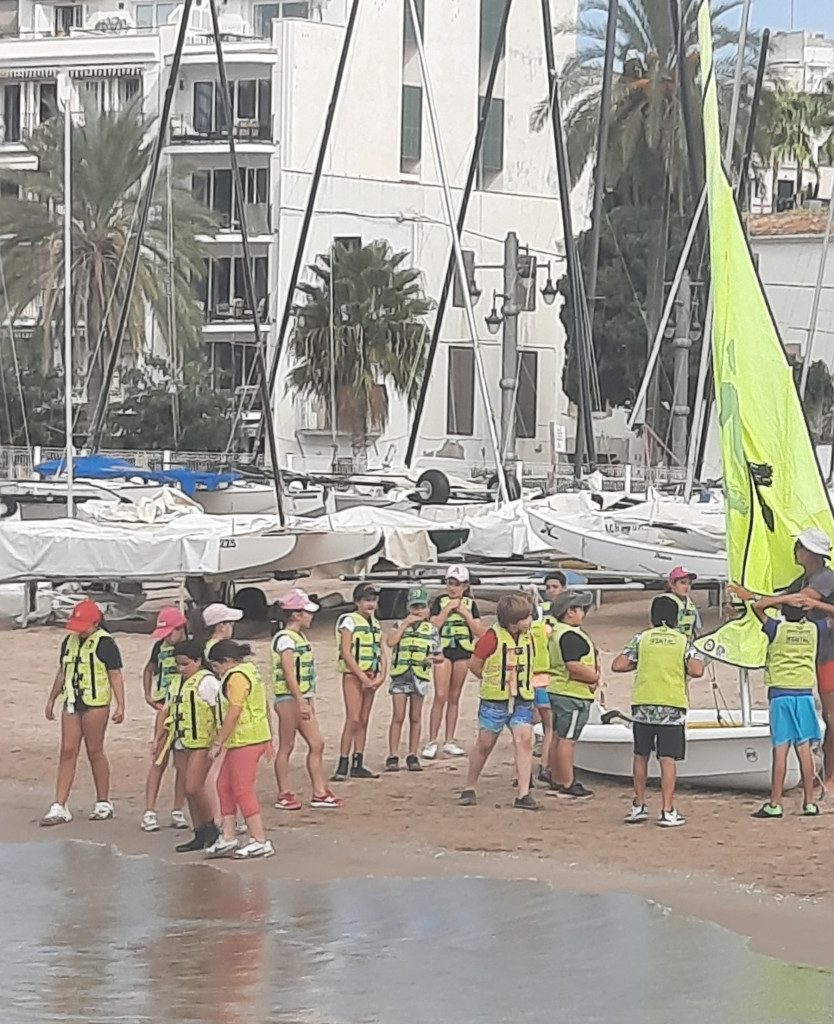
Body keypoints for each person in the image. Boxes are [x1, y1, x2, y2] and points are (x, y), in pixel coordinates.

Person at [611, 595, 705, 827]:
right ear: (676, 618)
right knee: (668, 759)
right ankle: (667, 809)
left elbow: (618, 665)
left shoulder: (641, 638)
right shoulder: (682, 641)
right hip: (672, 705)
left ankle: (639, 804)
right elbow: (697, 670)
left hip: (644, 703)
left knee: (640, 755)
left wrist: (641, 663)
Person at [41, 601, 125, 825]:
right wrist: (52, 698)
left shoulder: (105, 643)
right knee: (67, 750)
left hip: (96, 703)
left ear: (95, 623)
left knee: (94, 750)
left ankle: (103, 802)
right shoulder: (69, 642)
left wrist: (121, 705)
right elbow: (63, 671)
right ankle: (59, 805)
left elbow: (115, 674)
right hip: (71, 700)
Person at [745, 592, 824, 818]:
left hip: (781, 694)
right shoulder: (813, 629)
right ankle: (809, 803)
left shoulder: (776, 628)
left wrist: (782, 599)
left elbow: (757, 607)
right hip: (804, 694)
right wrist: (815, 603)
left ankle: (775, 803)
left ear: (784, 610)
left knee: (780, 750)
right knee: (804, 749)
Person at [458, 592, 538, 810]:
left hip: (521, 698)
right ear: (513, 622)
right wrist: (491, 680)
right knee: (485, 744)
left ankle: (524, 793)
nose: (530, 620)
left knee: (524, 740)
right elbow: (474, 665)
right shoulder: (491, 638)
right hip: (495, 701)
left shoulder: (528, 636)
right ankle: (470, 786)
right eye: (526, 617)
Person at [272, 588, 342, 810]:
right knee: (287, 745)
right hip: (288, 698)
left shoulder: (296, 637)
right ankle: (284, 793)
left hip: (300, 697)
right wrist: (301, 700)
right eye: (307, 612)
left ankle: (319, 792)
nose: (311, 616)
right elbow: (288, 671)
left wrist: (306, 699)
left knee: (316, 742)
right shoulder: (285, 639)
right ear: (296, 614)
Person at [206, 640, 274, 859]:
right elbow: (263, 705)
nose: (216, 672)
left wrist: (218, 742)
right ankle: (228, 836)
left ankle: (259, 840)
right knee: (223, 785)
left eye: (216, 666)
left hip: (247, 739)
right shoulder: (249, 672)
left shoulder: (236, 677)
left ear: (226, 661)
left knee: (242, 789)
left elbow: (234, 712)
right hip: (244, 738)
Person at [153, 640, 222, 852]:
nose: (181, 669)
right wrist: (158, 738)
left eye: (185, 664)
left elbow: (218, 711)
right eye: (178, 664)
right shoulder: (176, 683)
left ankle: (211, 827)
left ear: (198, 661)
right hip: (181, 740)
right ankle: (199, 832)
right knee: (187, 789)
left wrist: (219, 741)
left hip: (202, 741)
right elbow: (166, 710)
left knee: (193, 787)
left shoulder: (208, 682)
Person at [783, 527, 834, 791]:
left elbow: (800, 601)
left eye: (799, 547)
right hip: (816, 652)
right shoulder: (804, 579)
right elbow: (787, 601)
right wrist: (754, 599)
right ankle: (824, 771)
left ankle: (830, 773)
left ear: (812, 553)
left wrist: (760, 600)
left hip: (830, 653)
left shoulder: (824, 578)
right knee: (826, 714)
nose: (795, 551)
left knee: (831, 715)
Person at [423, 565, 485, 759]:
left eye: (457, 584)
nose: (453, 588)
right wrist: (447, 610)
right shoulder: (439, 602)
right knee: (440, 695)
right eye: (450, 583)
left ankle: (449, 740)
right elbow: (432, 626)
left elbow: (480, 632)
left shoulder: (470, 604)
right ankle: (432, 740)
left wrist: (465, 614)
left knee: (454, 696)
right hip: (442, 652)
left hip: (462, 652)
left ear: (465, 586)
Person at [546, 591, 600, 800]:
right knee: (567, 739)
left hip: (559, 690)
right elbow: (573, 665)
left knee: (558, 736)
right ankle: (567, 783)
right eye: (581, 610)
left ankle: (557, 778)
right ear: (570, 612)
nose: (583, 614)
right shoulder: (570, 635)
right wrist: (594, 677)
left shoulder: (557, 632)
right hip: (572, 694)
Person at [141, 607, 189, 833]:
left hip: (186, 708)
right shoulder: (159, 647)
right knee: (158, 757)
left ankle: (177, 810)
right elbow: (148, 670)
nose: (166, 638)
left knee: (182, 764)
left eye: (170, 633)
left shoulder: (190, 648)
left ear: (181, 629)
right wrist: (148, 695)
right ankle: (149, 811)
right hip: (164, 706)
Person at [331, 583, 386, 781]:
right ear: (357, 602)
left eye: (373, 600)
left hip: (371, 674)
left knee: (364, 719)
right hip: (353, 675)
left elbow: (381, 651)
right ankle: (343, 762)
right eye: (366, 600)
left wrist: (382, 676)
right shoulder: (349, 621)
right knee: (353, 718)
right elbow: (346, 652)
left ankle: (358, 761)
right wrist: (362, 677)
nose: (371, 604)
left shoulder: (375, 623)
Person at [385, 586, 442, 772]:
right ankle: (393, 755)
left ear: (428, 609)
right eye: (414, 607)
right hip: (400, 676)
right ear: (408, 608)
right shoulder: (399, 625)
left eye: (422, 607)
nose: (418, 611)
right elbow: (390, 642)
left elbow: (440, 655)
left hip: (420, 676)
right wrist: (405, 624)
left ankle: (412, 755)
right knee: (398, 716)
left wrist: (433, 659)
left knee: (415, 717)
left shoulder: (431, 630)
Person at [528, 587, 555, 785]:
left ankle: (520, 772)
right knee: (549, 728)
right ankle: (544, 765)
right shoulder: (547, 631)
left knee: (525, 729)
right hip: (544, 682)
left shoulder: (522, 633)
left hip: (526, 683)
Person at [667, 567, 702, 640]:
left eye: (689, 583)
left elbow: (697, 630)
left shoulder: (690, 603)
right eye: (683, 583)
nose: (687, 587)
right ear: (672, 584)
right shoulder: (664, 603)